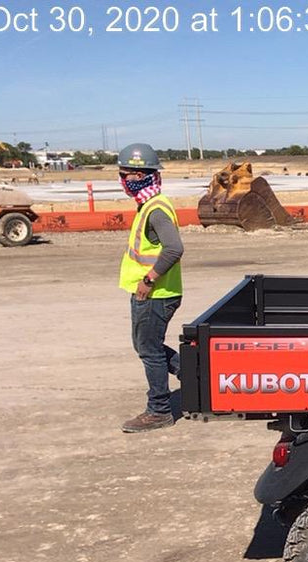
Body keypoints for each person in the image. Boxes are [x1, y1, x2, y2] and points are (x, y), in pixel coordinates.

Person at [117, 143, 184, 433]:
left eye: (132, 175)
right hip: (155, 292)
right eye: (124, 174)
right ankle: (196, 375)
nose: (127, 180)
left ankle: (159, 410)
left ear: (146, 176)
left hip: (155, 294)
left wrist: (148, 280)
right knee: (148, 346)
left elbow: (174, 248)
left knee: (149, 350)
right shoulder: (150, 204)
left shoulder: (155, 210)